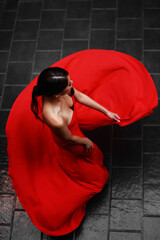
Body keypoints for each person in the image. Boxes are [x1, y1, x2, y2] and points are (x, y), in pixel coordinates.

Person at [31, 67, 120, 153]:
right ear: (57, 94)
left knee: (98, 118)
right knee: (92, 151)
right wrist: (86, 141)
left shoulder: (60, 87)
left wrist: (106, 112)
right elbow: (69, 138)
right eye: (69, 84)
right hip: (71, 136)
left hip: (75, 117)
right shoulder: (54, 118)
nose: (72, 82)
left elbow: (80, 96)